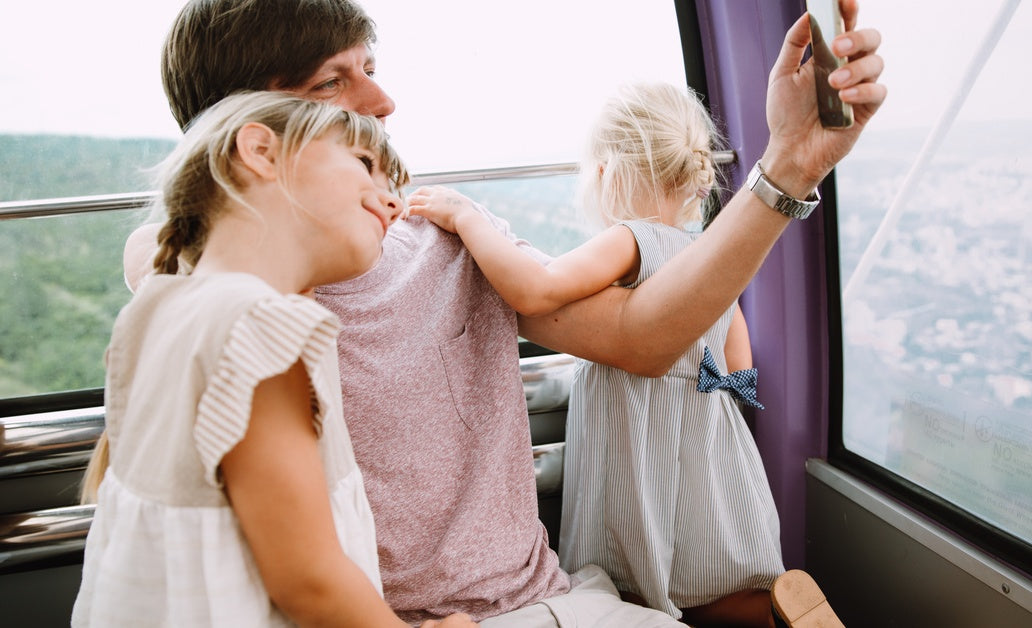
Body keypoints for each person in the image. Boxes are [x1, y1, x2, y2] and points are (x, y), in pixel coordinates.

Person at [122, 0, 886, 625]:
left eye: (373, 71)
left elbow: (644, 339)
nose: (383, 105)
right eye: (333, 83)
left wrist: (788, 165)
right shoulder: (203, 289)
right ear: (247, 132)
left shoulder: (447, 236)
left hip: (542, 602)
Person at [405, 81, 837, 628]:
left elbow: (535, 289)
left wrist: (468, 218)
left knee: (641, 581)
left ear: (608, 171)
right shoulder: (709, 258)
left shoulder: (631, 240)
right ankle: (772, 614)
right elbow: (738, 372)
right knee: (719, 572)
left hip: (638, 453)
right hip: (714, 452)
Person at [74, 91, 474, 628]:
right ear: (261, 151)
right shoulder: (260, 327)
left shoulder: (154, 311)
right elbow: (308, 582)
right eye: (365, 165)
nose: (394, 203)